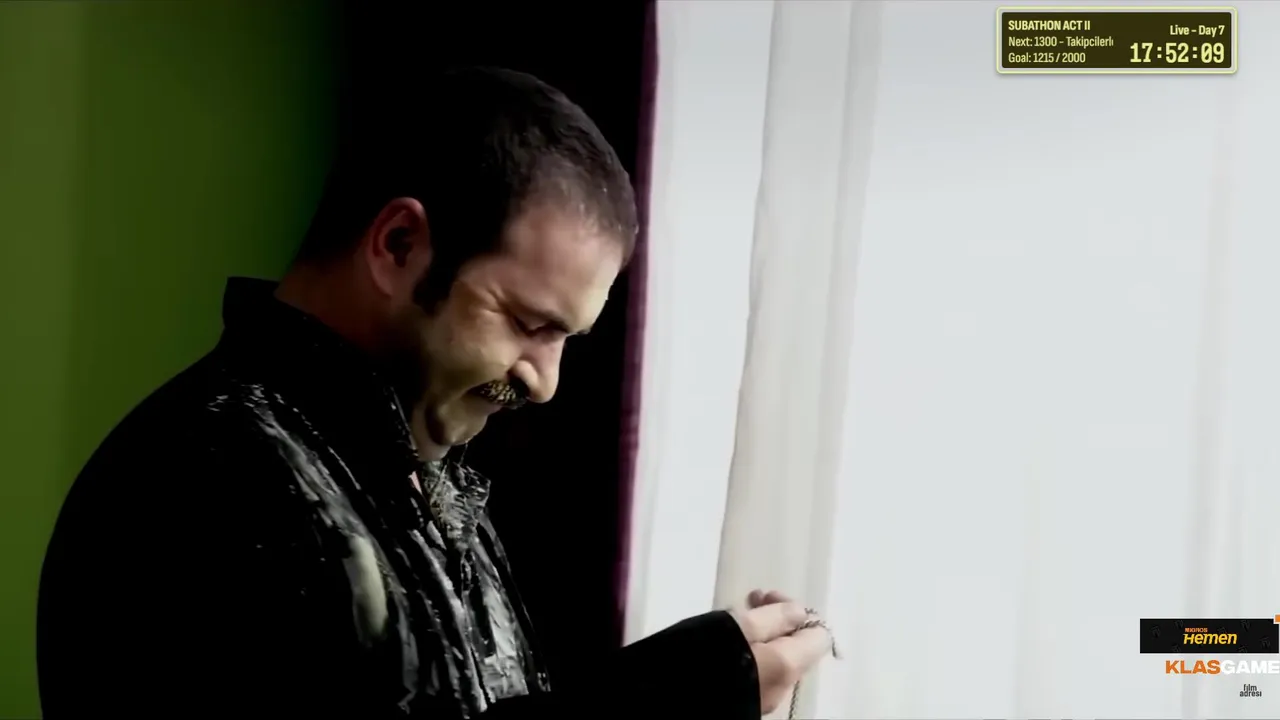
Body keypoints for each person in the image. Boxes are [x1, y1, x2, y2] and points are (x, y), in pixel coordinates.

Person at [36, 67, 832, 719]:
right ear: (398, 245)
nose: (545, 382)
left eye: (565, 339)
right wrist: (667, 700)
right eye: (529, 324)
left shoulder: (411, 473)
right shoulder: (200, 479)